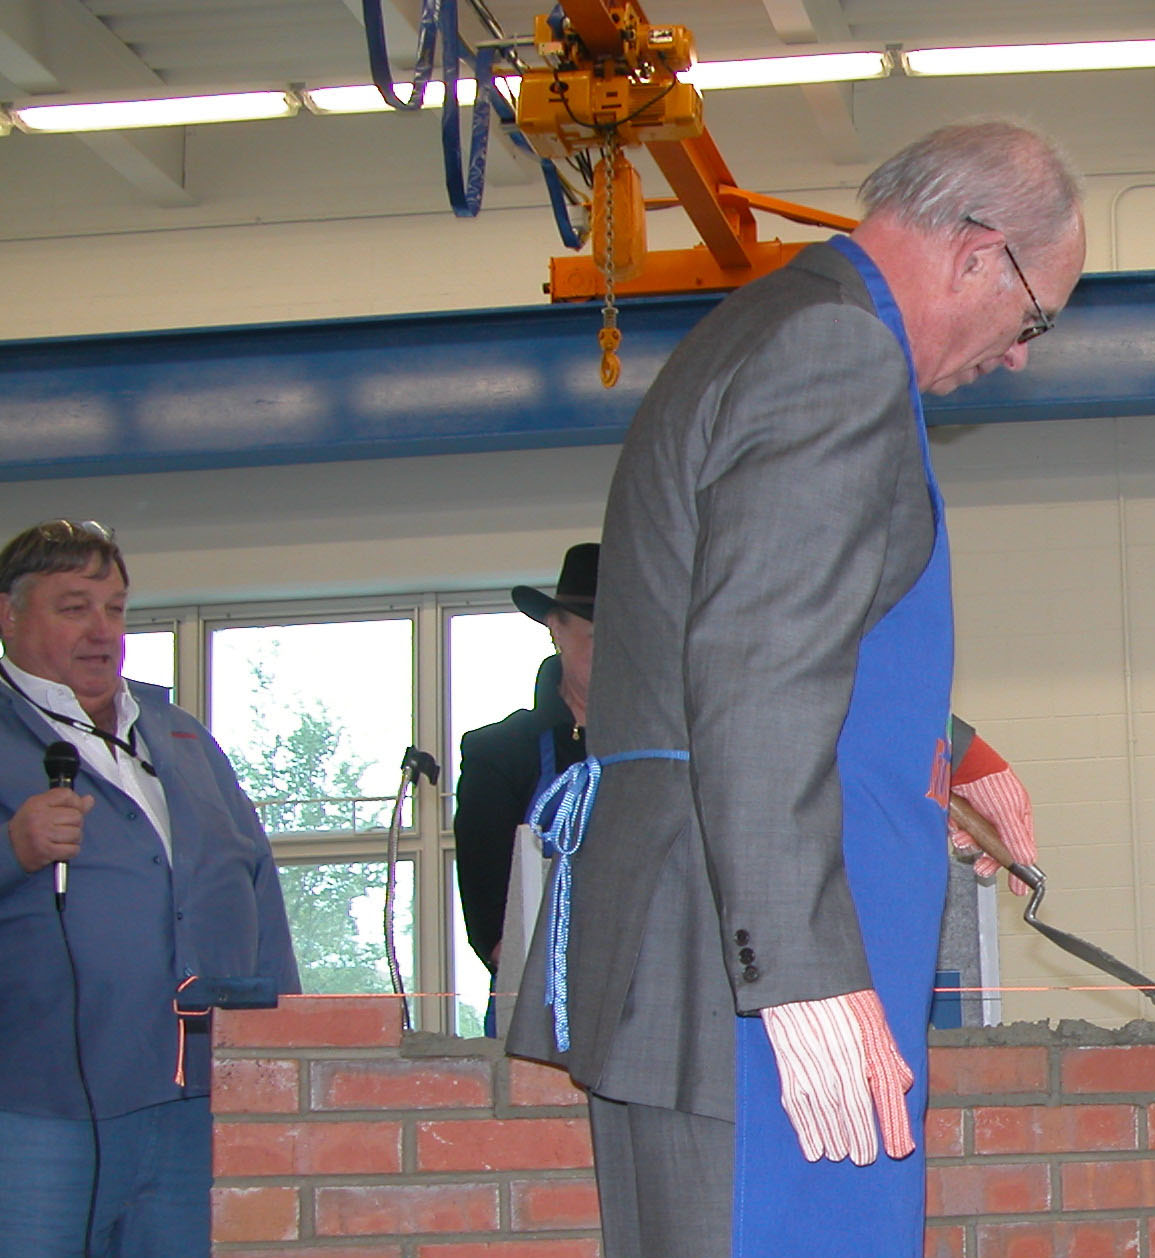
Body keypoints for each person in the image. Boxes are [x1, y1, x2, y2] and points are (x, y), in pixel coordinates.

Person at [506, 120, 1085, 1258]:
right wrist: (803, 975)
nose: (1019, 353)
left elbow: (783, 638)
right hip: (753, 986)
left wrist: (932, 765)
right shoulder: (835, 349)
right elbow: (756, 667)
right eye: (1035, 318)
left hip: (732, 953)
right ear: (978, 252)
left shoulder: (794, 331)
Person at [0, 519, 300, 1257]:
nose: (103, 631)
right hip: (38, 1109)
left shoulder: (181, 734)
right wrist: (12, 850)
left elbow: (257, 888)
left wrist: (289, 1042)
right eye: (74, 607)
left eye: (116, 608)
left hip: (196, 1099)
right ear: (9, 615)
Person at [453, 543, 595, 1014]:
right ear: (556, 627)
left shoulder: (670, 749)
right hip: (540, 998)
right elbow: (493, 920)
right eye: (596, 634)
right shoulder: (500, 753)